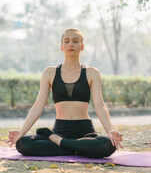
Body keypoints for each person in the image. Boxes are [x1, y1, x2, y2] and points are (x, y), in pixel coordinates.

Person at [6, 28, 123, 158]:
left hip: (85, 133)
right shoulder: (49, 73)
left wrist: (110, 130)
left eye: (75, 41)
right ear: (62, 46)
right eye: (66, 41)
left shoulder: (92, 73)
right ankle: (77, 148)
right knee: (23, 144)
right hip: (60, 130)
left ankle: (60, 143)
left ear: (82, 46)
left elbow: (100, 105)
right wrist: (22, 131)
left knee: (108, 145)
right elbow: (38, 104)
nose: (70, 44)